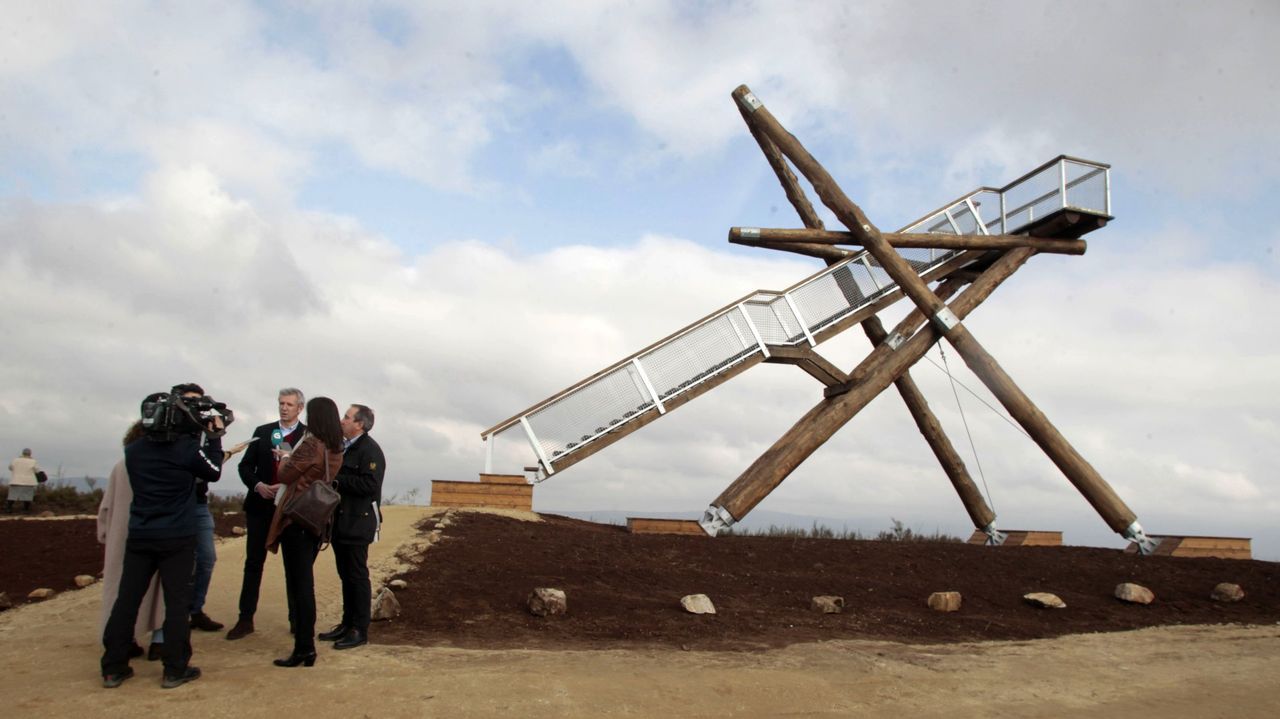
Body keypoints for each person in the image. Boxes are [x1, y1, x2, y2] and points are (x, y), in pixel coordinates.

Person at [101, 387, 225, 689]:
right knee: (177, 603)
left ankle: (113, 667)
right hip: (176, 536)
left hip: (141, 534)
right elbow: (213, 471)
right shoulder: (184, 450)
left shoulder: (134, 451)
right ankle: (175, 668)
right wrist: (214, 437)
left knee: (127, 600)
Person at [265, 396, 343, 668]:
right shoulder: (336, 447)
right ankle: (304, 646)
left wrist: (286, 457)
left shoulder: (311, 444)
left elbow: (286, 475)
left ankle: (304, 648)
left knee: (300, 585)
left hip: (296, 517)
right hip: (315, 519)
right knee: (303, 582)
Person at [226, 388, 306, 641]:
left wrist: (285, 488)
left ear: (299, 408)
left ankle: (296, 620)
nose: (284, 408)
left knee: (293, 567)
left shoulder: (307, 437)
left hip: (291, 510)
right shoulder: (262, 432)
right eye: (281, 403)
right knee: (253, 563)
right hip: (261, 507)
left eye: (289, 404)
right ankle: (245, 618)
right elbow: (245, 466)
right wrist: (258, 486)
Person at [318, 404, 386, 650]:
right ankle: (346, 624)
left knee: (357, 576)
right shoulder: (343, 447)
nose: (342, 420)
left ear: (360, 424)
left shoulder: (370, 451)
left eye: (347, 417)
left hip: (358, 522)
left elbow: (370, 485)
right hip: (340, 522)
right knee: (345, 575)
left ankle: (360, 629)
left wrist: (335, 479)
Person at [97, 422, 164, 661]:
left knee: (121, 590)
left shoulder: (122, 465)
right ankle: (160, 639)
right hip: (160, 533)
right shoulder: (166, 464)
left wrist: (104, 532)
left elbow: (106, 506)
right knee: (162, 590)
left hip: (122, 535)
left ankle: (119, 642)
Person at [173, 383, 226, 635]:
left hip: (198, 502)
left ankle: (195, 610)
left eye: (199, 402)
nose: (194, 407)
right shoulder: (168, 433)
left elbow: (211, 471)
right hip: (173, 504)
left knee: (206, 558)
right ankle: (172, 617)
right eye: (189, 401)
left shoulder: (204, 433)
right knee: (175, 562)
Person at [6, 448, 43, 513]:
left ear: (22, 453)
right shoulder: (33, 461)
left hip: (16, 480)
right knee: (27, 497)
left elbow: (10, 468)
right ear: (30, 454)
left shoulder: (15, 460)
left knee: (12, 496)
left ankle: (8, 509)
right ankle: (25, 510)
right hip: (28, 481)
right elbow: (37, 470)